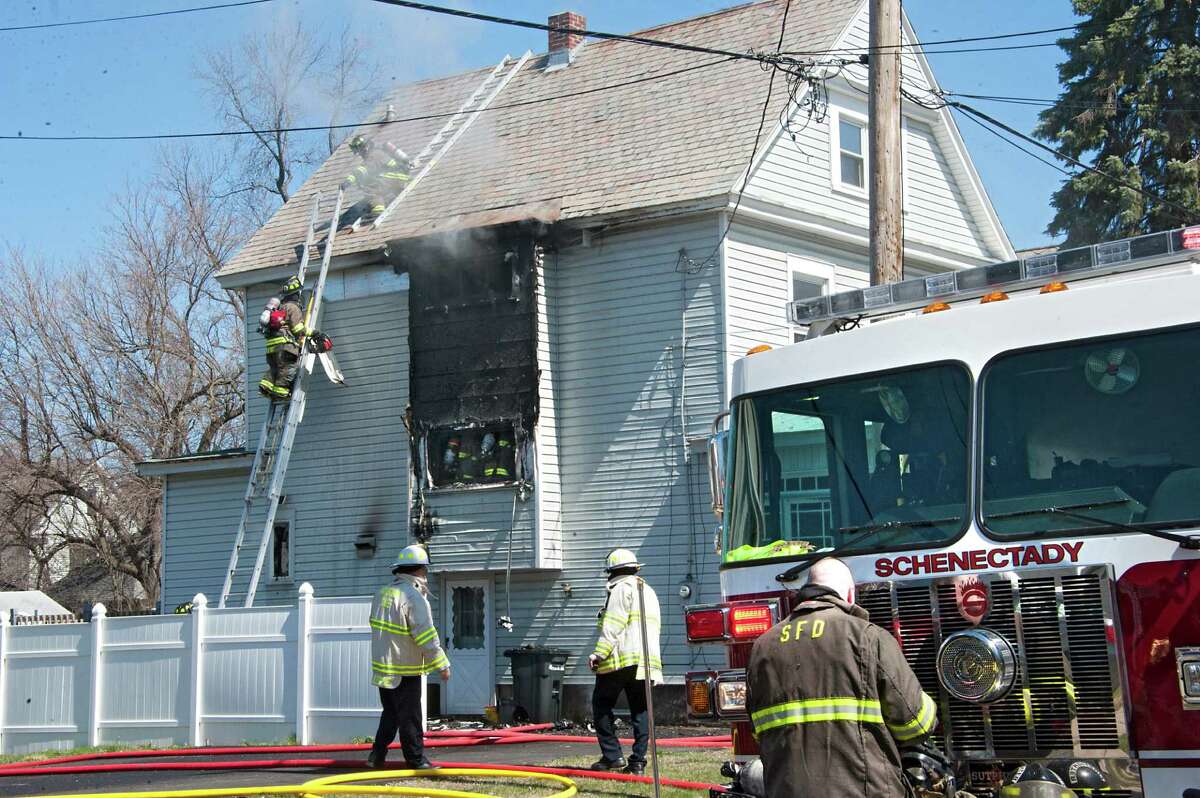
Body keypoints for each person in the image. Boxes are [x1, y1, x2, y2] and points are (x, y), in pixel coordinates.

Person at [746, 557, 938, 798]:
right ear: (849, 595)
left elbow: (759, 733)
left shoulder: (762, 648)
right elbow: (915, 724)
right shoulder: (868, 638)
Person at [367, 544, 450, 770]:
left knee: (391, 715)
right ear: (419, 570)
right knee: (410, 717)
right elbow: (425, 636)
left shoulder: (382, 594)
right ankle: (416, 760)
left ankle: (376, 756)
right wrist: (441, 663)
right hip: (405, 669)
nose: (426, 574)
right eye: (425, 570)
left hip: (384, 669)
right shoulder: (412, 596)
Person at [588, 548, 662, 775]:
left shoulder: (620, 589)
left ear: (611, 571)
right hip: (645, 663)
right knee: (640, 711)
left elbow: (613, 625)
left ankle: (613, 756)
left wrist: (598, 654)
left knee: (601, 706)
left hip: (620, 661)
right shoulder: (647, 591)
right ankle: (637, 762)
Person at [258, 276, 310, 401]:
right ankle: (281, 393)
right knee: (288, 369)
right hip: (285, 346)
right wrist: (313, 332)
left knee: (275, 369)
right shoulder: (293, 307)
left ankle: (265, 386)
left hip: (271, 347)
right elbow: (297, 329)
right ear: (295, 294)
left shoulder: (279, 308)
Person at [340, 134, 412, 221]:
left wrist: (349, 181)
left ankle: (378, 211)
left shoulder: (373, 156)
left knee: (370, 187)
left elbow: (363, 169)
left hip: (394, 178)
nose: (360, 153)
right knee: (373, 180)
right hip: (399, 179)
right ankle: (389, 197)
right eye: (359, 151)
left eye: (360, 150)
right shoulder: (378, 152)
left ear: (366, 147)